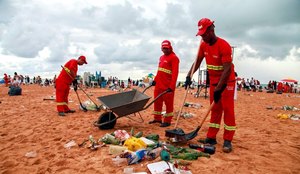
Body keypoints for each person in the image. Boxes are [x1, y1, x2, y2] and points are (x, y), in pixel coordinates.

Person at [185, 18, 236, 153]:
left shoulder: (224, 45)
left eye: (204, 34)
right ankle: (211, 137)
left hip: (227, 82)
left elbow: (227, 69)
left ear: (211, 30)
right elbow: (197, 62)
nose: (202, 37)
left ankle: (227, 140)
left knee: (228, 110)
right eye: (200, 34)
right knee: (215, 109)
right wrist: (189, 76)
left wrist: (220, 88)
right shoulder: (203, 45)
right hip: (213, 81)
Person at [149, 40, 179, 127]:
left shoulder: (174, 58)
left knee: (168, 104)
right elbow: (159, 71)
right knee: (157, 102)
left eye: (166, 48)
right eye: (163, 49)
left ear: (170, 48)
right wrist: (155, 80)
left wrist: (172, 87)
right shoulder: (161, 58)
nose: (165, 50)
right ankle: (157, 118)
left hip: (167, 87)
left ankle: (167, 121)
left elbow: (175, 74)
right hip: (158, 85)